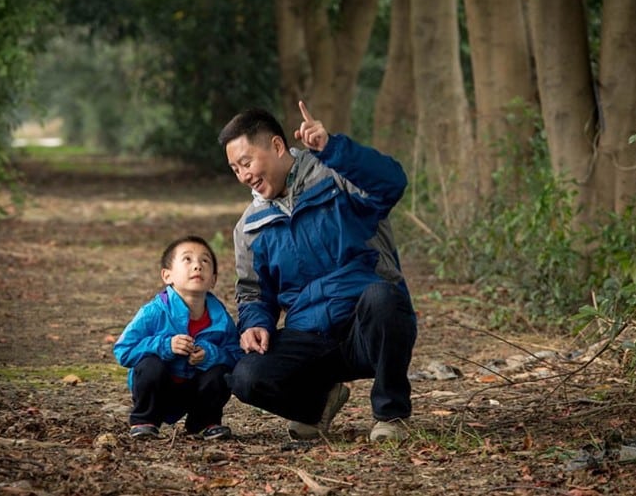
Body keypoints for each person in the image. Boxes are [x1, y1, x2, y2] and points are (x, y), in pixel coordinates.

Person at [218, 101, 417, 442]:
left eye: (246, 162)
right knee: (245, 376)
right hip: (310, 338)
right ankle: (317, 404)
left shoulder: (337, 175)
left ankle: (391, 414)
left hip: (366, 327)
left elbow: (392, 183)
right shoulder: (249, 227)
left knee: (383, 297)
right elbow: (253, 293)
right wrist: (254, 325)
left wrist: (333, 149)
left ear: (277, 146)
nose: (244, 175)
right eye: (235, 169)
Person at [114, 235, 242, 440]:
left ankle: (204, 423)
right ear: (167, 275)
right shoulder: (154, 311)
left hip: (196, 390)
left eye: (205, 261)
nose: (198, 266)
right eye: (187, 259)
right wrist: (165, 346)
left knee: (220, 373)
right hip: (160, 387)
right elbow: (123, 350)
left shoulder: (221, 319)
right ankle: (145, 421)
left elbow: (236, 356)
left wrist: (210, 354)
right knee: (150, 365)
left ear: (213, 280)